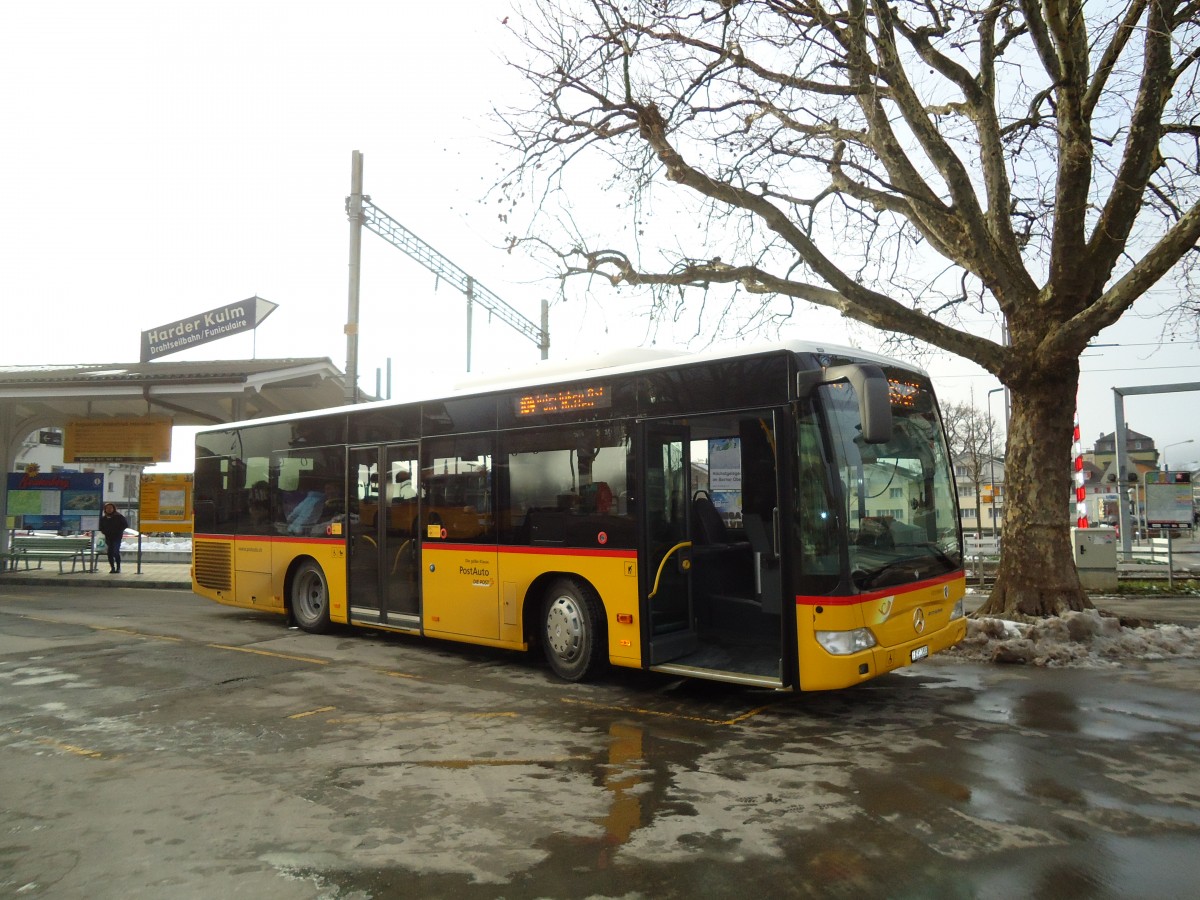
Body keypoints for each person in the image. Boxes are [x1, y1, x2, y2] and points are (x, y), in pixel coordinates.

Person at [99, 503, 129, 573]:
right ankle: (112, 567)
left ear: (113, 509)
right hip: (108, 537)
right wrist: (104, 531)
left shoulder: (119, 516)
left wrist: (118, 530)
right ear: (105, 509)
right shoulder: (103, 518)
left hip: (117, 537)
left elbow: (125, 525)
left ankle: (118, 568)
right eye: (107, 508)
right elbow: (100, 527)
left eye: (110, 508)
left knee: (116, 551)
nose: (109, 509)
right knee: (110, 553)